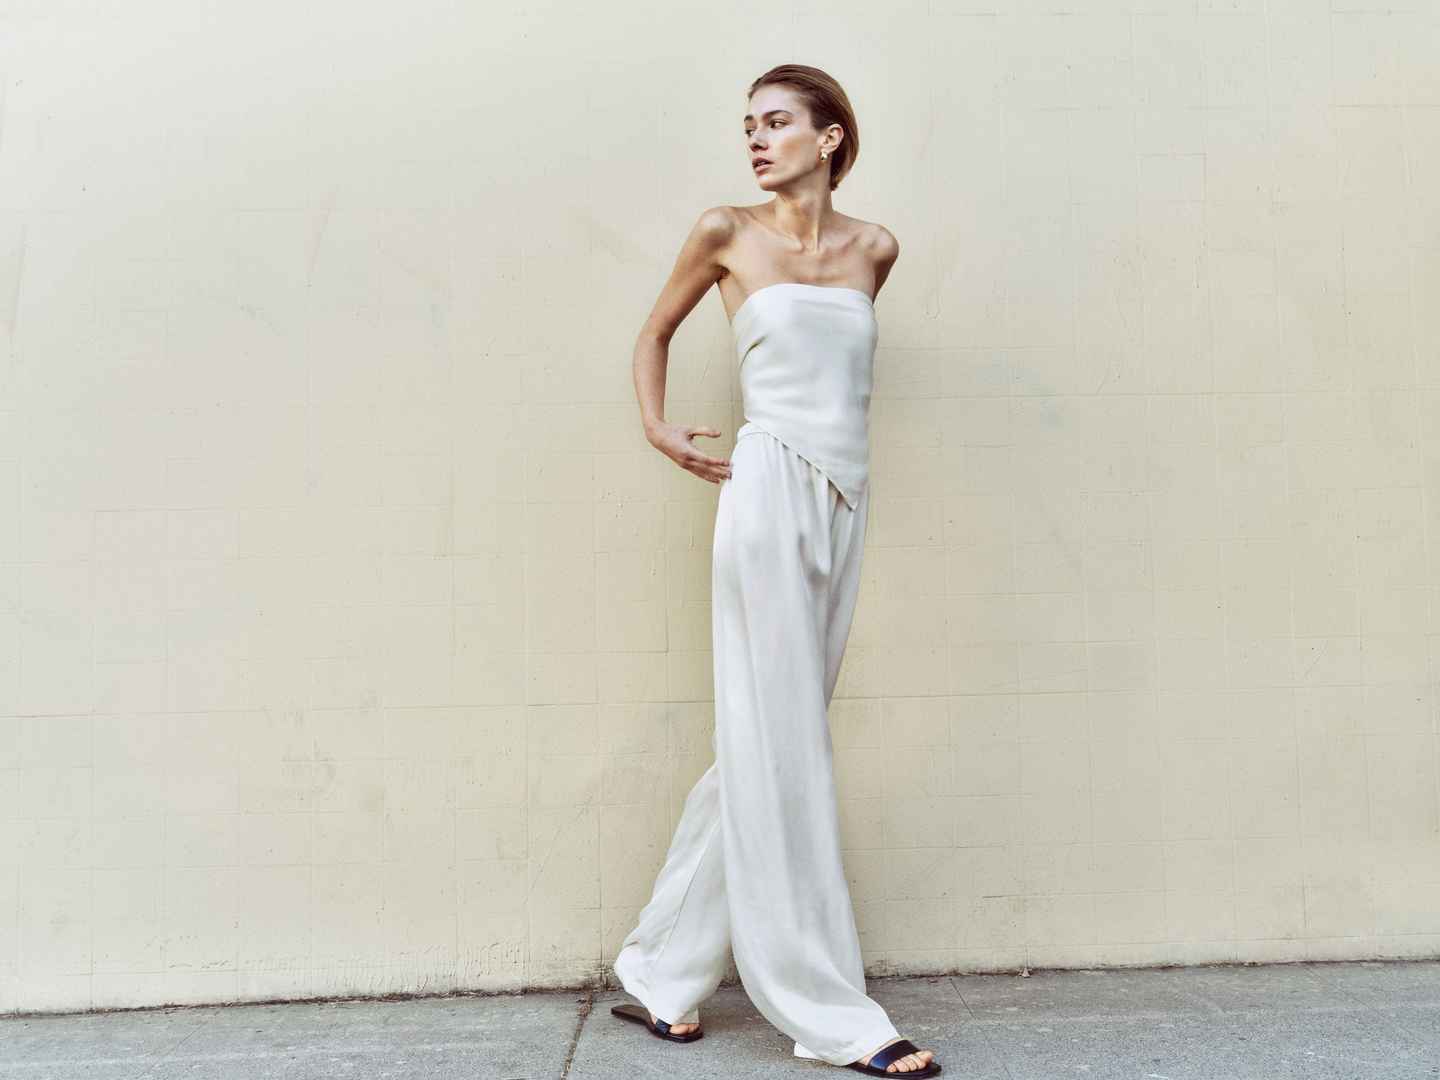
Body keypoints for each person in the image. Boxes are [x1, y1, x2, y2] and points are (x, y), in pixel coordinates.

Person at [611, 64, 940, 1078]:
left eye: (777, 122)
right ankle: (830, 1010)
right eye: (748, 125)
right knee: (782, 736)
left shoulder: (874, 249)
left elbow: (842, 378)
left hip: (845, 498)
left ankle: (662, 971)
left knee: (770, 734)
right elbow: (655, 331)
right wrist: (661, 429)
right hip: (764, 489)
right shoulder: (725, 232)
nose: (756, 139)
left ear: (830, 138)